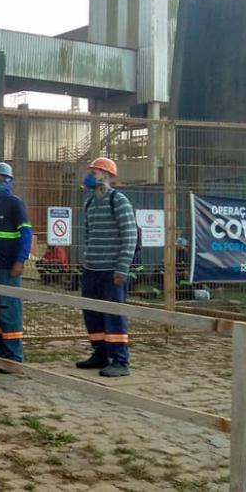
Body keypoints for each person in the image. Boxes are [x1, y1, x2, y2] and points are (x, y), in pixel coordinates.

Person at [76, 157, 137, 377]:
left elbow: (130, 236)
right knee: (92, 314)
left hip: (111, 272)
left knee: (114, 315)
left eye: (95, 172)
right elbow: (88, 234)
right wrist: (86, 261)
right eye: (91, 171)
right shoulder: (90, 203)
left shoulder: (118, 201)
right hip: (91, 269)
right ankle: (100, 354)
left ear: (107, 176)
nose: (91, 175)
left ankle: (120, 361)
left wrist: (122, 268)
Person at [0, 162, 32, 364]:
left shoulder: (15, 204)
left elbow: (26, 233)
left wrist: (20, 261)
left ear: (10, 182)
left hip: (8, 269)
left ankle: (14, 356)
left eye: (2, 180)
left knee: (9, 311)